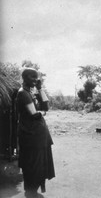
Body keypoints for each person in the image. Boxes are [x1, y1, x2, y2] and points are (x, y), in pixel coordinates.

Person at [16, 68, 55, 197]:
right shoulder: (23, 93)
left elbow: (46, 107)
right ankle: (31, 192)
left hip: (38, 136)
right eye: (32, 77)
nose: (35, 79)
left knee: (39, 164)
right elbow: (34, 115)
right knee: (32, 164)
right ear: (24, 77)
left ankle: (33, 192)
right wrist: (42, 113)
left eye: (36, 77)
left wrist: (40, 88)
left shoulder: (31, 93)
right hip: (31, 136)